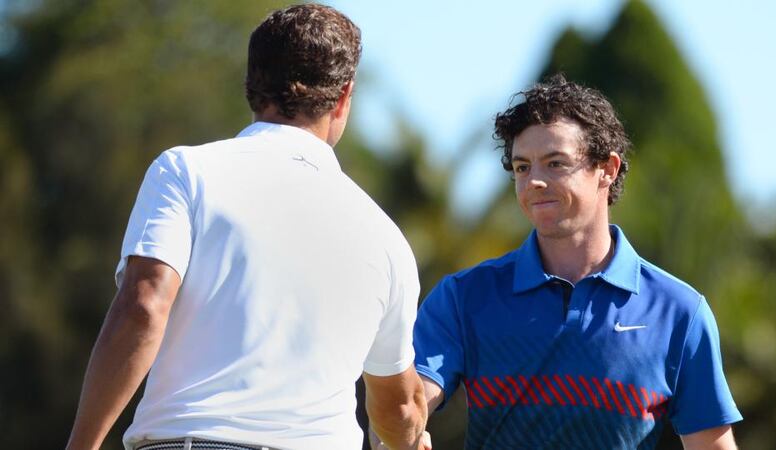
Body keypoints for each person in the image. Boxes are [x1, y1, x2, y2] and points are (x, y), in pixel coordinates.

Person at [66, 4, 428, 450]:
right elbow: (398, 407)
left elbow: (143, 305)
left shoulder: (185, 172)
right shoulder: (387, 239)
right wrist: (412, 437)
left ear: (251, 84)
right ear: (343, 96)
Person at [411, 75, 742, 449]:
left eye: (555, 163)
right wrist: (398, 433)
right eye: (522, 167)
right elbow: (409, 404)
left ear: (608, 169)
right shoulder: (464, 297)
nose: (534, 181)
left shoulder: (679, 311)